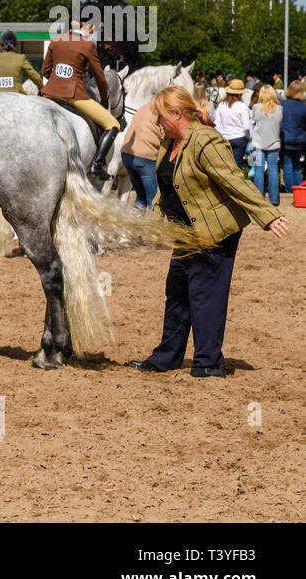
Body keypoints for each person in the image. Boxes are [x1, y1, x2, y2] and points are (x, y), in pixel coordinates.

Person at [126, 86, 288, 378]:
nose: (157, 122)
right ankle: (167, 357)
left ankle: (208, 363)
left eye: (161, 116)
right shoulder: (169, 142)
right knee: (176, 293)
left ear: (177, 114)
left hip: (214, 231)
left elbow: (234, 181)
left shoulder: (206, 141)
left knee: (205, 294)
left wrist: (268, 215)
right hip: (186, 231)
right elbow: (168, 185)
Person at [40, 21, 120, 181]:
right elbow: (100, 78)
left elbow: (45, 70)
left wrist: (57, 82)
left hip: (49, 92)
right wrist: (104, 99)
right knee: (113, 124)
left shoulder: (56, 40)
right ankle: (96, 166)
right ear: (89, 29)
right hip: (73, 94)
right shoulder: (88, 45)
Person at [120, 101, 162, 209]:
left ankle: (135, 221)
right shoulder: (163, 110)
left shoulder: (143, 107)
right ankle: (151, 225)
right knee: (153, 200)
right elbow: (165, 134)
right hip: (145, 156)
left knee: (140, 198)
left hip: (127, 154)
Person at [248, 84, 283, 205]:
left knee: (258, 169)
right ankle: (273, 199)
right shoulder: (279, 109)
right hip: (274, 143)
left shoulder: (256, 108)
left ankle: (259, 199)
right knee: (273, 170)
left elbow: (254, 123)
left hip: (258, 143)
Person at [213, 78, 252, 167]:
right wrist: (248, 137)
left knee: (225, 166)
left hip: (225, 138)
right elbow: (246, 127)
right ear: (240, 93)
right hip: (239, 139)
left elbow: (217, 125)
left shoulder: (221, 105)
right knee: (236, 166)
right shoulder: (242, 106)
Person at [281, 81, 306, 191]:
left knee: (287, 166)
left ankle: (290, 191)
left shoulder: (282, 105)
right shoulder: (304, 107)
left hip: (286, 140)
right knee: (296, 167)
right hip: (300, 141)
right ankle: (299, 191)